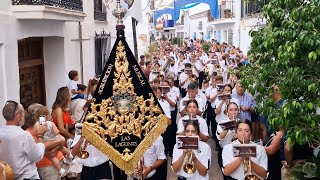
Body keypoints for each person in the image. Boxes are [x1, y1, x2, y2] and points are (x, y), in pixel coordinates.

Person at [0, 101, 64, 180]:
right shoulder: (24, 135)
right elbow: (37, 156)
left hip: (9, 176)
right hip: (26, 177)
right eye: (23, 112)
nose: (25, 115)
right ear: (18, 116)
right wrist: (40, 135)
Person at [34, 106, 74, 176]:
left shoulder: (37, 124)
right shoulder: (51, 123)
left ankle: (60, 170)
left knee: (52, 157)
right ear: (48, 115)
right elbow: (56, 132)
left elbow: (36, 133)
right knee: (61, 147)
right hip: (54, 139)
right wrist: (56, 131)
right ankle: (70, 155)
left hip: (45, 142)